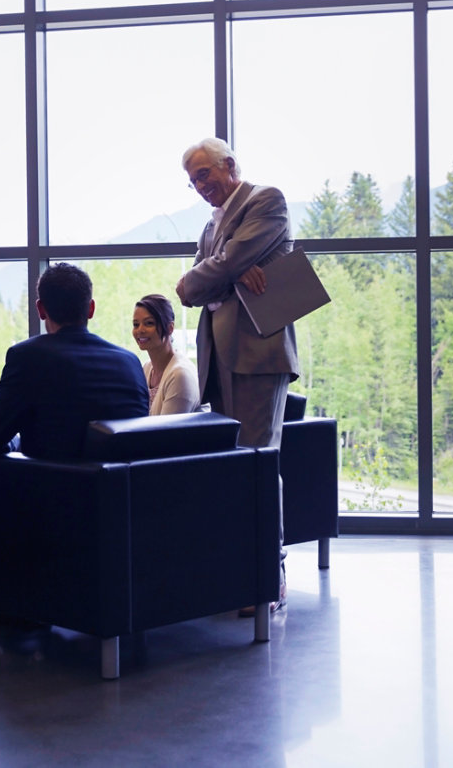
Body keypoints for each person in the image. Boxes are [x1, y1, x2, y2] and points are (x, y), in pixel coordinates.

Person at [175, 137, 299, 615]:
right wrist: (226, 270)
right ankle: (238, 571)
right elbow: (208, 276)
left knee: (259, 464)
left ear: (230, 165)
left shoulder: (266, 200)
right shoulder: (212, 223)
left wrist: (221, 269)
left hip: (257, 352)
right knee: (232, 467)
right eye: (192, 181)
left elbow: (211, 271)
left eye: (205, 174)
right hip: (219, 356)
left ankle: (270, 573)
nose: (200, 185)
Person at [0, 263, 149, 512]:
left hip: (52, 499)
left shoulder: (27, 357)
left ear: (40, 309)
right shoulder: (130, 361)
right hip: (122, 502)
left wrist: (16, 441)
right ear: (91, 308)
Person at [132, 293, 200, 415]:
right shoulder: (147, 368)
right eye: (136, 324)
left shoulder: (180, 375)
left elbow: (166, 433)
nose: (140, 330)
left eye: (149, 323)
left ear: (170, 328)